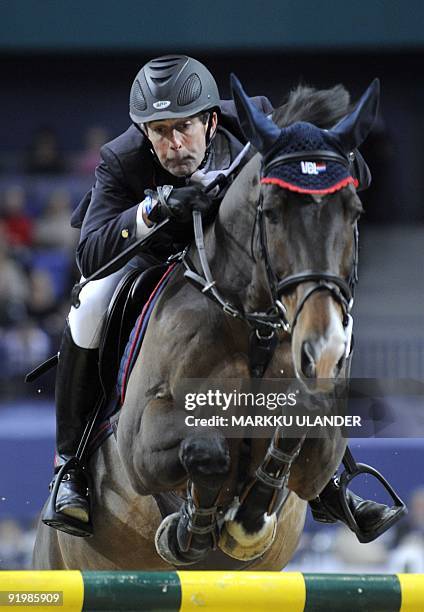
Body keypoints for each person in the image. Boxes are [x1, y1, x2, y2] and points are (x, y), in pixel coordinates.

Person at [45, 54, 401, 540]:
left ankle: (334, 480)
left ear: (211, 119)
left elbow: (337, 166)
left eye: (184, 128)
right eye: (159, 131)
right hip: (154, 257)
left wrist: (330, 155)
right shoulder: (121, 159)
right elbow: (90, 252)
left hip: (233, 266)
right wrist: (152, 208)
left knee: (315, 313)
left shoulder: (256, 122)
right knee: (88, 305)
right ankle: (72, 466)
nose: (172, 144)